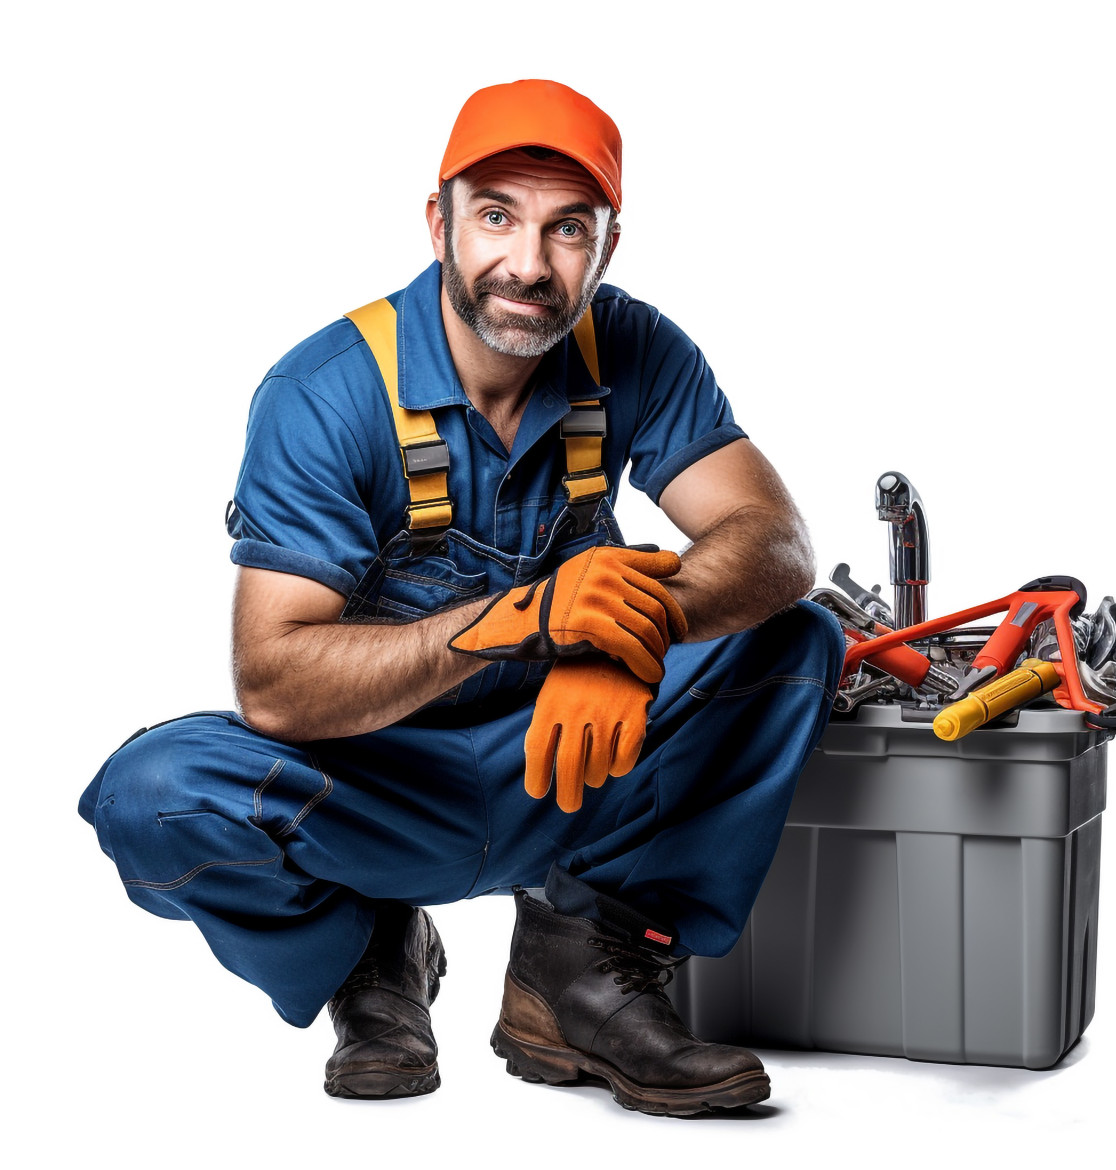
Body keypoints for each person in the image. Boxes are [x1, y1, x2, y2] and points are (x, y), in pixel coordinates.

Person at [78, 79, 844, 1117]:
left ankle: (578, 965)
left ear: (605, 248)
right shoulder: (324, 393)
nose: (528, 264)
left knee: (791, 639)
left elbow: (775, 543)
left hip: (569, 762)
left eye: (565, 228)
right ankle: (369, 947)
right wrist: (526, 619)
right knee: (153, 794)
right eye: (495, 215)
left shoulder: (636, 350)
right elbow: (273, 684)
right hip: (376, 788)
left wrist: (625, 637)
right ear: (435, 220)